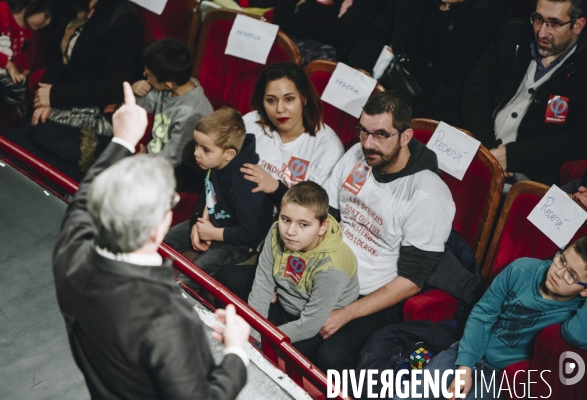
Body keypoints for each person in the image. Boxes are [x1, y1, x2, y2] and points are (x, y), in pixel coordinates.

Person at [52, 82, 250, 399]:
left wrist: (122, 139)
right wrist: (236, 353)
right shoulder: (168, 318)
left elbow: (81, 204)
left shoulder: (70, 255)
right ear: (158, 228)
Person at [317, 91, 455, 372]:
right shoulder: (358, 155)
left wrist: (346, 314)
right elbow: (328, 217)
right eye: (363, 132)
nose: (368, 144)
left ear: (405, 137)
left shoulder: (428, 195)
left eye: (380, 135)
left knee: (331, 356)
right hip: (331, 273)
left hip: (373, 296)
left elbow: (412, 280)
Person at [394, 237, 587, 400]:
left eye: (571, 275)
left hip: (501, 376)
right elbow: (483, 314)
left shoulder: (576, 311)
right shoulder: (522, 269)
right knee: (414, 392)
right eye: (562, 260)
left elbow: (576, 336)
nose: (559, 273)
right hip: (469, 350)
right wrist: (465, 365)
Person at [0, 0, 143, 182]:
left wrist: (54, 96)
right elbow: (57, 59)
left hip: (94, 115)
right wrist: (45, 97)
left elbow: (113, 87)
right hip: (63, 101)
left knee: (31, 152)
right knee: (10, 142)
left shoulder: (124, 18)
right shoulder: (75, 7)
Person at [461, 0, 587, 185]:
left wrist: (511, 157)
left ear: (578, 25)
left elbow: (577, 139)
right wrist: (487, 148)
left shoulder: (583, 68)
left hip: (525, 177)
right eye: (538, 19)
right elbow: (476, 89)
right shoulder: (513, 34)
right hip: (477, 146)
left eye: (554, 24)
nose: (542, 32)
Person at [346, 0, 510, 126]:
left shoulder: (490, 19)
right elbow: (373, 39)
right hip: (378, 89)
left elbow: (456, 93)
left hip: (423, 114)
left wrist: (391, 111)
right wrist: (358, 78)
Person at [247, 181, 359, 361]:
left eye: (303, 224)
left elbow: (309, 325)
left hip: (314, 321)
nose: (290, 231)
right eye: (286, 219)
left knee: (278, 358)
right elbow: (262, 285)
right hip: (286, 299)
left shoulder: (333, 267)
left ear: (322, 227)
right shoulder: (276, 231)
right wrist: (252, 334)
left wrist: (262, 340)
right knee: (229, 278)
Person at [164, 107, 274, 282]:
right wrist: (199, 221)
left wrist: (212, 234)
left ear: (229, 154)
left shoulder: (243, 184)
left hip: (237, 243)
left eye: (205, 150)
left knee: (191, 278)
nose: (196, 153)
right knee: (161, 242)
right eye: (196, 145)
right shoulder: (214, 163)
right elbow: (208, 193)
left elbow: (250, 232)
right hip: (213, 222)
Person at [241, 61, 344, 208]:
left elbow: (315, 212)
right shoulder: (252, 122)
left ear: (304, 98)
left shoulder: (328, 148)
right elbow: (219, 168)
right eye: (271, 100)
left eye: (289, 99)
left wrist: (276, 188)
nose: (280, 109)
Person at [132, 38, 213, 168]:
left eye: (148, 75)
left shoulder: (190, 113)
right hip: (153, 155)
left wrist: (144, 161)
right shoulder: (169, 88)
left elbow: (174, 156)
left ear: (168, 84)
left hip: (175, 167)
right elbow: (141, 108)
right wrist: (137, 91)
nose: (144, 75)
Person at [0, 0, 53, 118]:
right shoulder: (1, 10)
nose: (48, 22)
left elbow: (21, 56)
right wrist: (9, 65)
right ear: (33, 4)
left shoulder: (28, 32)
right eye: (46, 15)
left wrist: (24, 71)